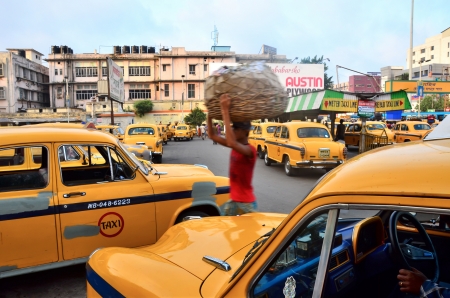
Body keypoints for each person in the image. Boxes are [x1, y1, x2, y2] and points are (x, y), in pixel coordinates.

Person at [207, 94, 257, 216]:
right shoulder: (234, 146)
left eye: (236, 128)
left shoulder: (251, 150)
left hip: (247, 204)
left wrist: (225, 110)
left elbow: (230, 142)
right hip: (234, 201)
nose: (233, 130)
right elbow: (212, 135)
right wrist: (209, 115)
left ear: (245, 131)